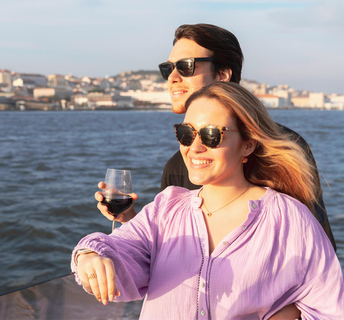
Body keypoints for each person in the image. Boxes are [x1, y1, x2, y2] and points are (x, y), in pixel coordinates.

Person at [74, 82, 343, 319]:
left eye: (211, 134)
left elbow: (330, 309)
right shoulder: (166, 208)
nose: (195, 147)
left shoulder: (290, 219)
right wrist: (90, 254)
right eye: (186, 133)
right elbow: (121, 253)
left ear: (248, 144)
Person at [95, 23, 337, 252]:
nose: (172, 78)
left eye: (186, 66)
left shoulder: (281, 147)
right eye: (168, 69)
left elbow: (318, 246)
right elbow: (167, 251)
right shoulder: (179, 165)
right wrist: (130, 220)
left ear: (222, 74)